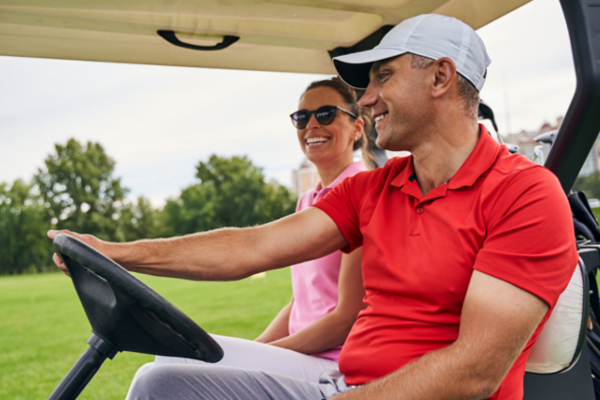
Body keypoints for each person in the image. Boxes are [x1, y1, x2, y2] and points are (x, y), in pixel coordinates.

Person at [50, 14, 578, 400]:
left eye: (382, 77)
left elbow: (476, 373)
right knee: (162, 382)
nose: (366, 99)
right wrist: (118, 253)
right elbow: (251, 247)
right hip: (343, 383)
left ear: (441, 77)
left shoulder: (525, 194)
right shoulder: (376, 189)